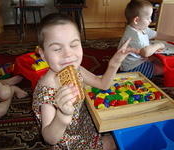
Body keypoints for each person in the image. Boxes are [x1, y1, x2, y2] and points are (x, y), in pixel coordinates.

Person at [32, 13, 138, 150]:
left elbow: (103, 84)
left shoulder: (76, 69)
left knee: (123, 125)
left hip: (85, 125)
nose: (68, 54)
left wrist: (114, 64)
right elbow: (50, 138)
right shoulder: (47, 89)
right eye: (57, 49)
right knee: (117, 141)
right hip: (70, 143)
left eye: (74, 45)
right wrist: (63, 115)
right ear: (43, 54)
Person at [118, 0, 174, 79]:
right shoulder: (134, 36)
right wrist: (159, 45)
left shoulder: (141, 28)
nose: (150, 20)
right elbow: (146, 52)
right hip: (132, 67)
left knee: (159, 60)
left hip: (139, 58)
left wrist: (172, 37)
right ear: (136, 20)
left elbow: (156, 34)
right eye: (148, 18)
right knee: (163, 69)